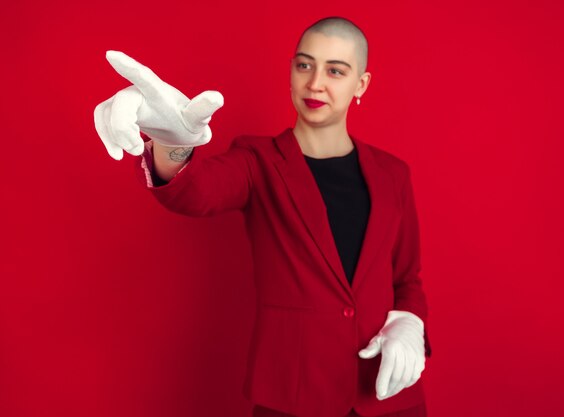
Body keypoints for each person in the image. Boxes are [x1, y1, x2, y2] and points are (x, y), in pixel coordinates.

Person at [94, 16, 432, 417]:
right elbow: (196, 192)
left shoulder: (394, 174)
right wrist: (173, 144)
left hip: (387, 397)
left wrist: (411, 325)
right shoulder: (258, 161)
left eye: (335, 70)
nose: (315, 83)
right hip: (292, 396)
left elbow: (405, 279)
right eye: (304, 65)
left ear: (361, 84)